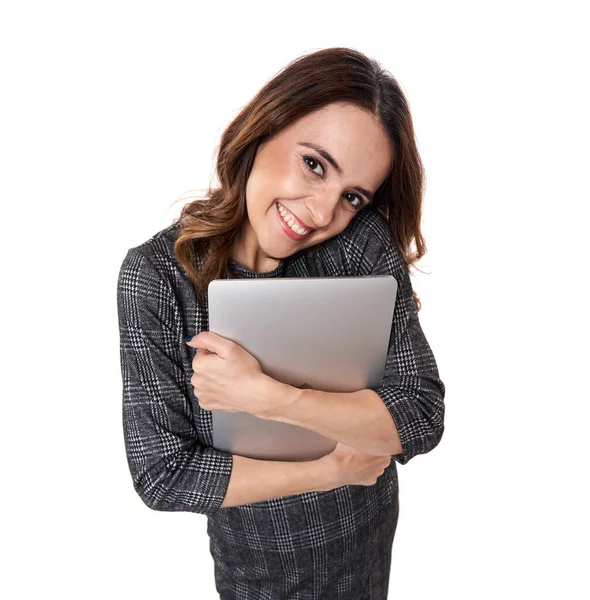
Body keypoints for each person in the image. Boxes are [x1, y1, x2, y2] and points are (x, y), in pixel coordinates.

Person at [117, 46, 445, 600]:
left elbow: (420, 416)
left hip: (363, 546)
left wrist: (267, 397)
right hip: (255, 569)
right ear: (263, 128)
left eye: (352, 196)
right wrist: (335, 467)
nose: (321, 213)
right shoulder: (156, 277)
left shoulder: (358, 243)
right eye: (313, 164)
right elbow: (163, 474)